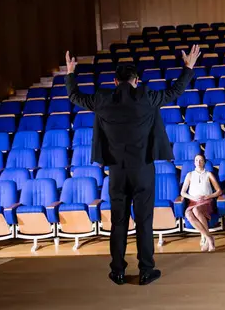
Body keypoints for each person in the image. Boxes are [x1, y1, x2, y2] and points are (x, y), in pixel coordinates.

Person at [64, 45, 201, 286]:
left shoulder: (103, 99)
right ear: (137, 80)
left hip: (116, 171)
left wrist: (70, 74)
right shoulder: (147, 97)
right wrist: (188, 67)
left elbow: (75, 97)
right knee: (144, 221)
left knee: (118, 222)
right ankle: (146, 270)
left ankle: (117, 271)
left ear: (115, 81)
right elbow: (175, 90)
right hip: (143, 170)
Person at [180, 154, 223, 252]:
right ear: (194, 162)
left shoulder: (209, 174)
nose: (198, 162)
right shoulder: (189, 175)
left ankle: (206, 239)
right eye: (196, 160)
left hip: (206, 202)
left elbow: (219, 191)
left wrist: (208, 196)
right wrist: (193, 197)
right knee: (188, 214)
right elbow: (182, 192)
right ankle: (208, 237)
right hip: (193, 201)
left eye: (201, 160)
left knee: (196, 210)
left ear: (204, 162)